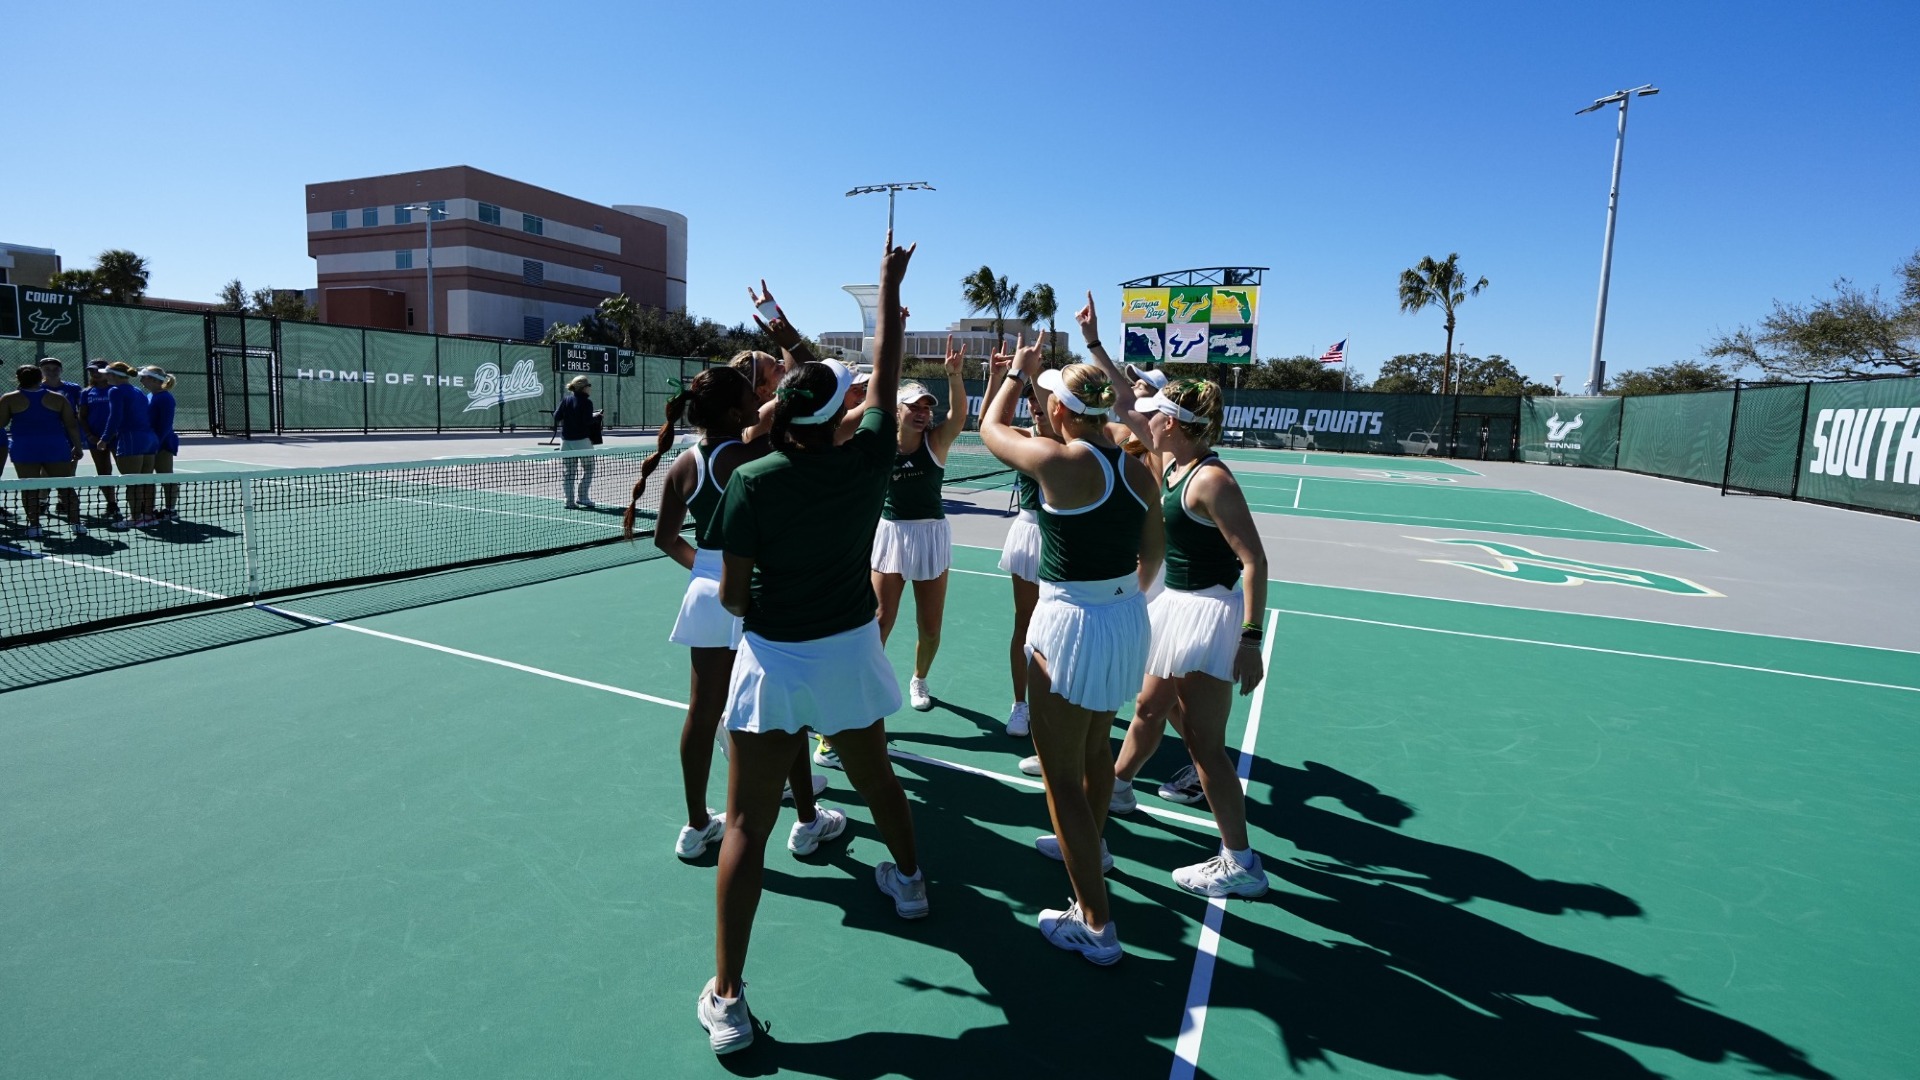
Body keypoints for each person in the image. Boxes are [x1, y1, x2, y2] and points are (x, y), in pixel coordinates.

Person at [696, 236, 924, 1055]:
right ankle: (910, 883)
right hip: (852, 651)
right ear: (841, 415)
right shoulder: (868, 459)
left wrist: (755, 602)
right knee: (875, 773)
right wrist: (893, 301)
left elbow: (730, 592)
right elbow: (886, 379)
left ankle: (727, 997)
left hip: (776, 661)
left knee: (747, 829)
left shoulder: (752, 479)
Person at [980, 330, 1164, 967]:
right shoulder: (1139, 467)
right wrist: (1113, 602)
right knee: (1093, 749)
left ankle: (1096, 924)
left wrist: (1015, 373)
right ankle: (1091, 848)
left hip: (1071, 622)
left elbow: (990, 427)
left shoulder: (1059, 463)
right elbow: (1154, 558)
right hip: (1124, 619)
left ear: (1060, 410)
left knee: (1060, 776)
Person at [626, 360, 831, 862]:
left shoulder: (683, 464)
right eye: (750, 397)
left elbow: (664, 539)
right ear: (738, 407)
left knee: (702, 714)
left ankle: (697, 826)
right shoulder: (753, 454)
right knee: (786, 713)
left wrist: (708, 569)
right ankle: (807, 820)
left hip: (705, 594)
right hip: (756, 591)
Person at [1107, 374, 1272, 897]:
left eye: (1154, 414)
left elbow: (1254, 560)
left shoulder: (1210, 480)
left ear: (1172, 424)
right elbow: (1126, 407)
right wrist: (1095, 349)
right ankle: (1116, 789)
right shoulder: (1175, 464)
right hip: (1177, 607)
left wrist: (1250, 640)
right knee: (1149, 708)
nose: (1144, 420)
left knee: (1205, 747)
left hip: (1208, 616)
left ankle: (1240, 861)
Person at [870, 336, 969, 713]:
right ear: (897, 411)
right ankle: (868, 685)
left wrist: (954, 377)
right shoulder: (879, 445)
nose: (922, 412)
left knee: (930, 628)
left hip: (930, 535)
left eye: (927, 407)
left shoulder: (936, 442)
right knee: (880, 621)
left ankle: (919, 678)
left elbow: (958, 416)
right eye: (914, 407)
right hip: (891, 533)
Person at [982, 341, 1060, 738]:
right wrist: (1002, 376)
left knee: (1064, 625)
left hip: (1067, 538)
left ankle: (1063, 697)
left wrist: (1031, 373)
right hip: (1030, 536)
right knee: (1025, 623)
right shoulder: (1021, 436)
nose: (1035, 406)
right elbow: (987, 427)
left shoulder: (1074, 443)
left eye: (1043, 401)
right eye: (1031, 401)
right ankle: (1021, 704)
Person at [0, 365, 88, 539]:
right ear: (40, 378)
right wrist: (78, 447)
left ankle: (34, 526)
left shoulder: (8, 399)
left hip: (25, 450)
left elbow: (1, 423)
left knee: (29, 488)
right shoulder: (58, 398)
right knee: (65, 487)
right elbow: (71, 425)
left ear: (18, 379)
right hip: (55, 448)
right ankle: (77, 524)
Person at [99, 362, 159, 528]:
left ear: (112, 375)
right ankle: (148, 516)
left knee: (132, 482)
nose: (104, 376)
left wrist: (104, 438)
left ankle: (134, 518)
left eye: (107, 374)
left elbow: (115, 417)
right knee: (146, 480)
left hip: (131, 439)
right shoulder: (138, 391)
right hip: (149, 439)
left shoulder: (115, 391)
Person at [76, 361, 124, 526]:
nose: (95, 373)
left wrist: (112, 433)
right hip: (95, 439)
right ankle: (112, 505)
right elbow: (82, 416)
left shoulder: (116, 389)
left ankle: (139, 505)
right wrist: (90, 435)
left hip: (118, 438)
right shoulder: (86, 392)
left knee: (127, 471)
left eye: (98, 370)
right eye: (91, 371)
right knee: (103, 471)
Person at [139, 366, 182, 521]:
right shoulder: (150, 395)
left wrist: (156, 445)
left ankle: (170, 510)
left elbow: (165, 426)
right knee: (148, 478)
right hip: (150, 443)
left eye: (144, 377)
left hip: (162, 443)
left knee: (166, 476)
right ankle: (149, 509)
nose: (141, 380)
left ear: (153, 379)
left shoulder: (165, 398)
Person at [552, 376, 600, 509]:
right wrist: (596, 417)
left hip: (565, 442)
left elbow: (556, 417)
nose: (590, 387)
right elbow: (587, 422)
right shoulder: (587, 402)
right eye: (589, 385)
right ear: (584, 387)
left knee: (569, 473)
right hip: (582, 442)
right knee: (589, 468)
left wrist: (570, 417)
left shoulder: (566, 400)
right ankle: (583, 497)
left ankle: (569, 501)